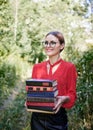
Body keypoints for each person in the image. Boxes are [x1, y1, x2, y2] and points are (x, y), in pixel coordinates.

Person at [30, 31, 77, 130]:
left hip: (57, 119)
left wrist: (64, 99)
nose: (48, 45)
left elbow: (72, 94)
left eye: (53, 43)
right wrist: (29, 100)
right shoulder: (37, 67)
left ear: (62, 46)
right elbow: (33, 91)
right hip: (37, 118)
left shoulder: (69, 67)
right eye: (46, 42)